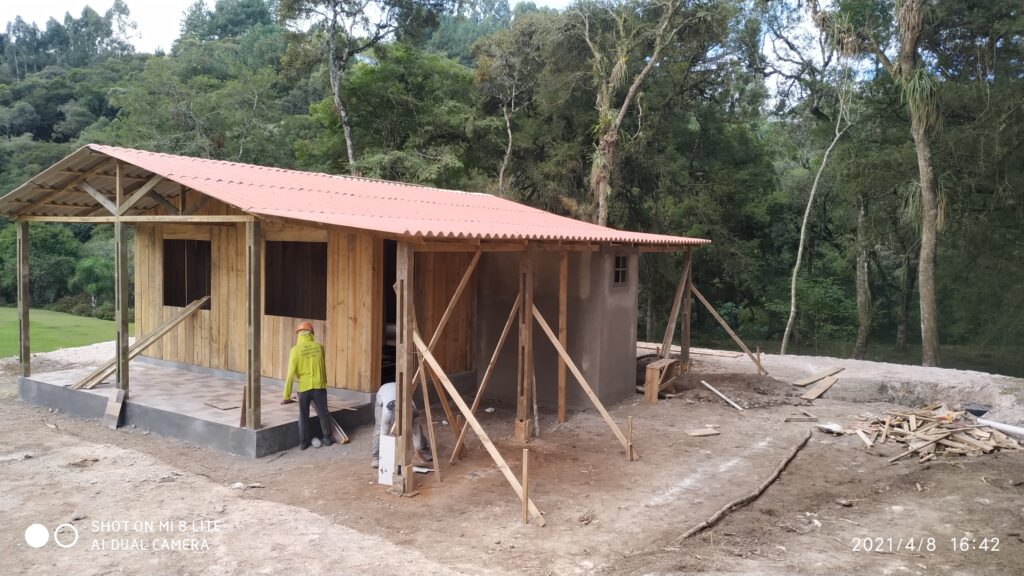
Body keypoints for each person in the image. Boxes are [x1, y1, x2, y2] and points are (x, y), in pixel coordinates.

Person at [281, 321, 334, 450]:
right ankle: (327, 439)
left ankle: (303, 443)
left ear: (298, 334)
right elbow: (322, 368)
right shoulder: (319, 347)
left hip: (304, 389)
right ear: (311, 334)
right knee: (323, 414)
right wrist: (324, 383)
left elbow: (290, 374)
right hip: (319, 387)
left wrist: (286, 395)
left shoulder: (295, 350)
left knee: (303, 416)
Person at [371, 381, 432, 468]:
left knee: (417, 429)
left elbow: (416, 429)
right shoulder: (387, 414)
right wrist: (386, 456)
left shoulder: (412, 410)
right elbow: (384, 434)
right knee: (379, 427)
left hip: (397, 391)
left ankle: (423, 451)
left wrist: (417, 447)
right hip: (383, 393)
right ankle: (376, 457)